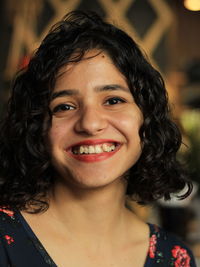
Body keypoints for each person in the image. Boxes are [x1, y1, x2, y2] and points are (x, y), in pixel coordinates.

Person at [0, 10, 197, 267]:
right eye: (64, 106)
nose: (90, 124)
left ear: (146, 118)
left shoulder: (175, 258)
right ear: (38, 126)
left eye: (114, 100)